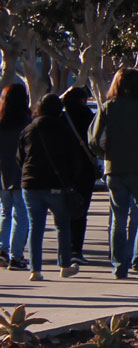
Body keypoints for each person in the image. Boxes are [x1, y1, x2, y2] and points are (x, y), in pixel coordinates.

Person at [89, 68, 138, 278]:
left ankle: (119, 265)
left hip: (115, 168)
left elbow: (96, 140)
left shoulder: (107, 108)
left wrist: (106, 153)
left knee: (118, 217)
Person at [17, 94, 86, 279]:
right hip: (56, 184)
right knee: (62, 225)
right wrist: (71, 181)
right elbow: (74, 159)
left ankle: (35, 269)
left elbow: (20, 158)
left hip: (30, 183)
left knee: (35, 227)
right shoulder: (63, 129)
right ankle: (64, 266)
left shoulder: (29, 129)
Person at [59, 86, 100, 265]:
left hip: (62, 170)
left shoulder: (60, 117)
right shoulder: (89, 116)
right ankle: (76, 249)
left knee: (62, 211)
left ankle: (64, 249)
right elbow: (96, 141)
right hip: (84, 170)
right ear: (83, 100)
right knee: (80, 210)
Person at [0, 83, 29, 270]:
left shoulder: (1, 122)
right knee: (21, 213)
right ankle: (16, 256)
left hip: (2, 173)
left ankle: (2, 249)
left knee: (5, 211)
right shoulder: (27, 124)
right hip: (21, 173)